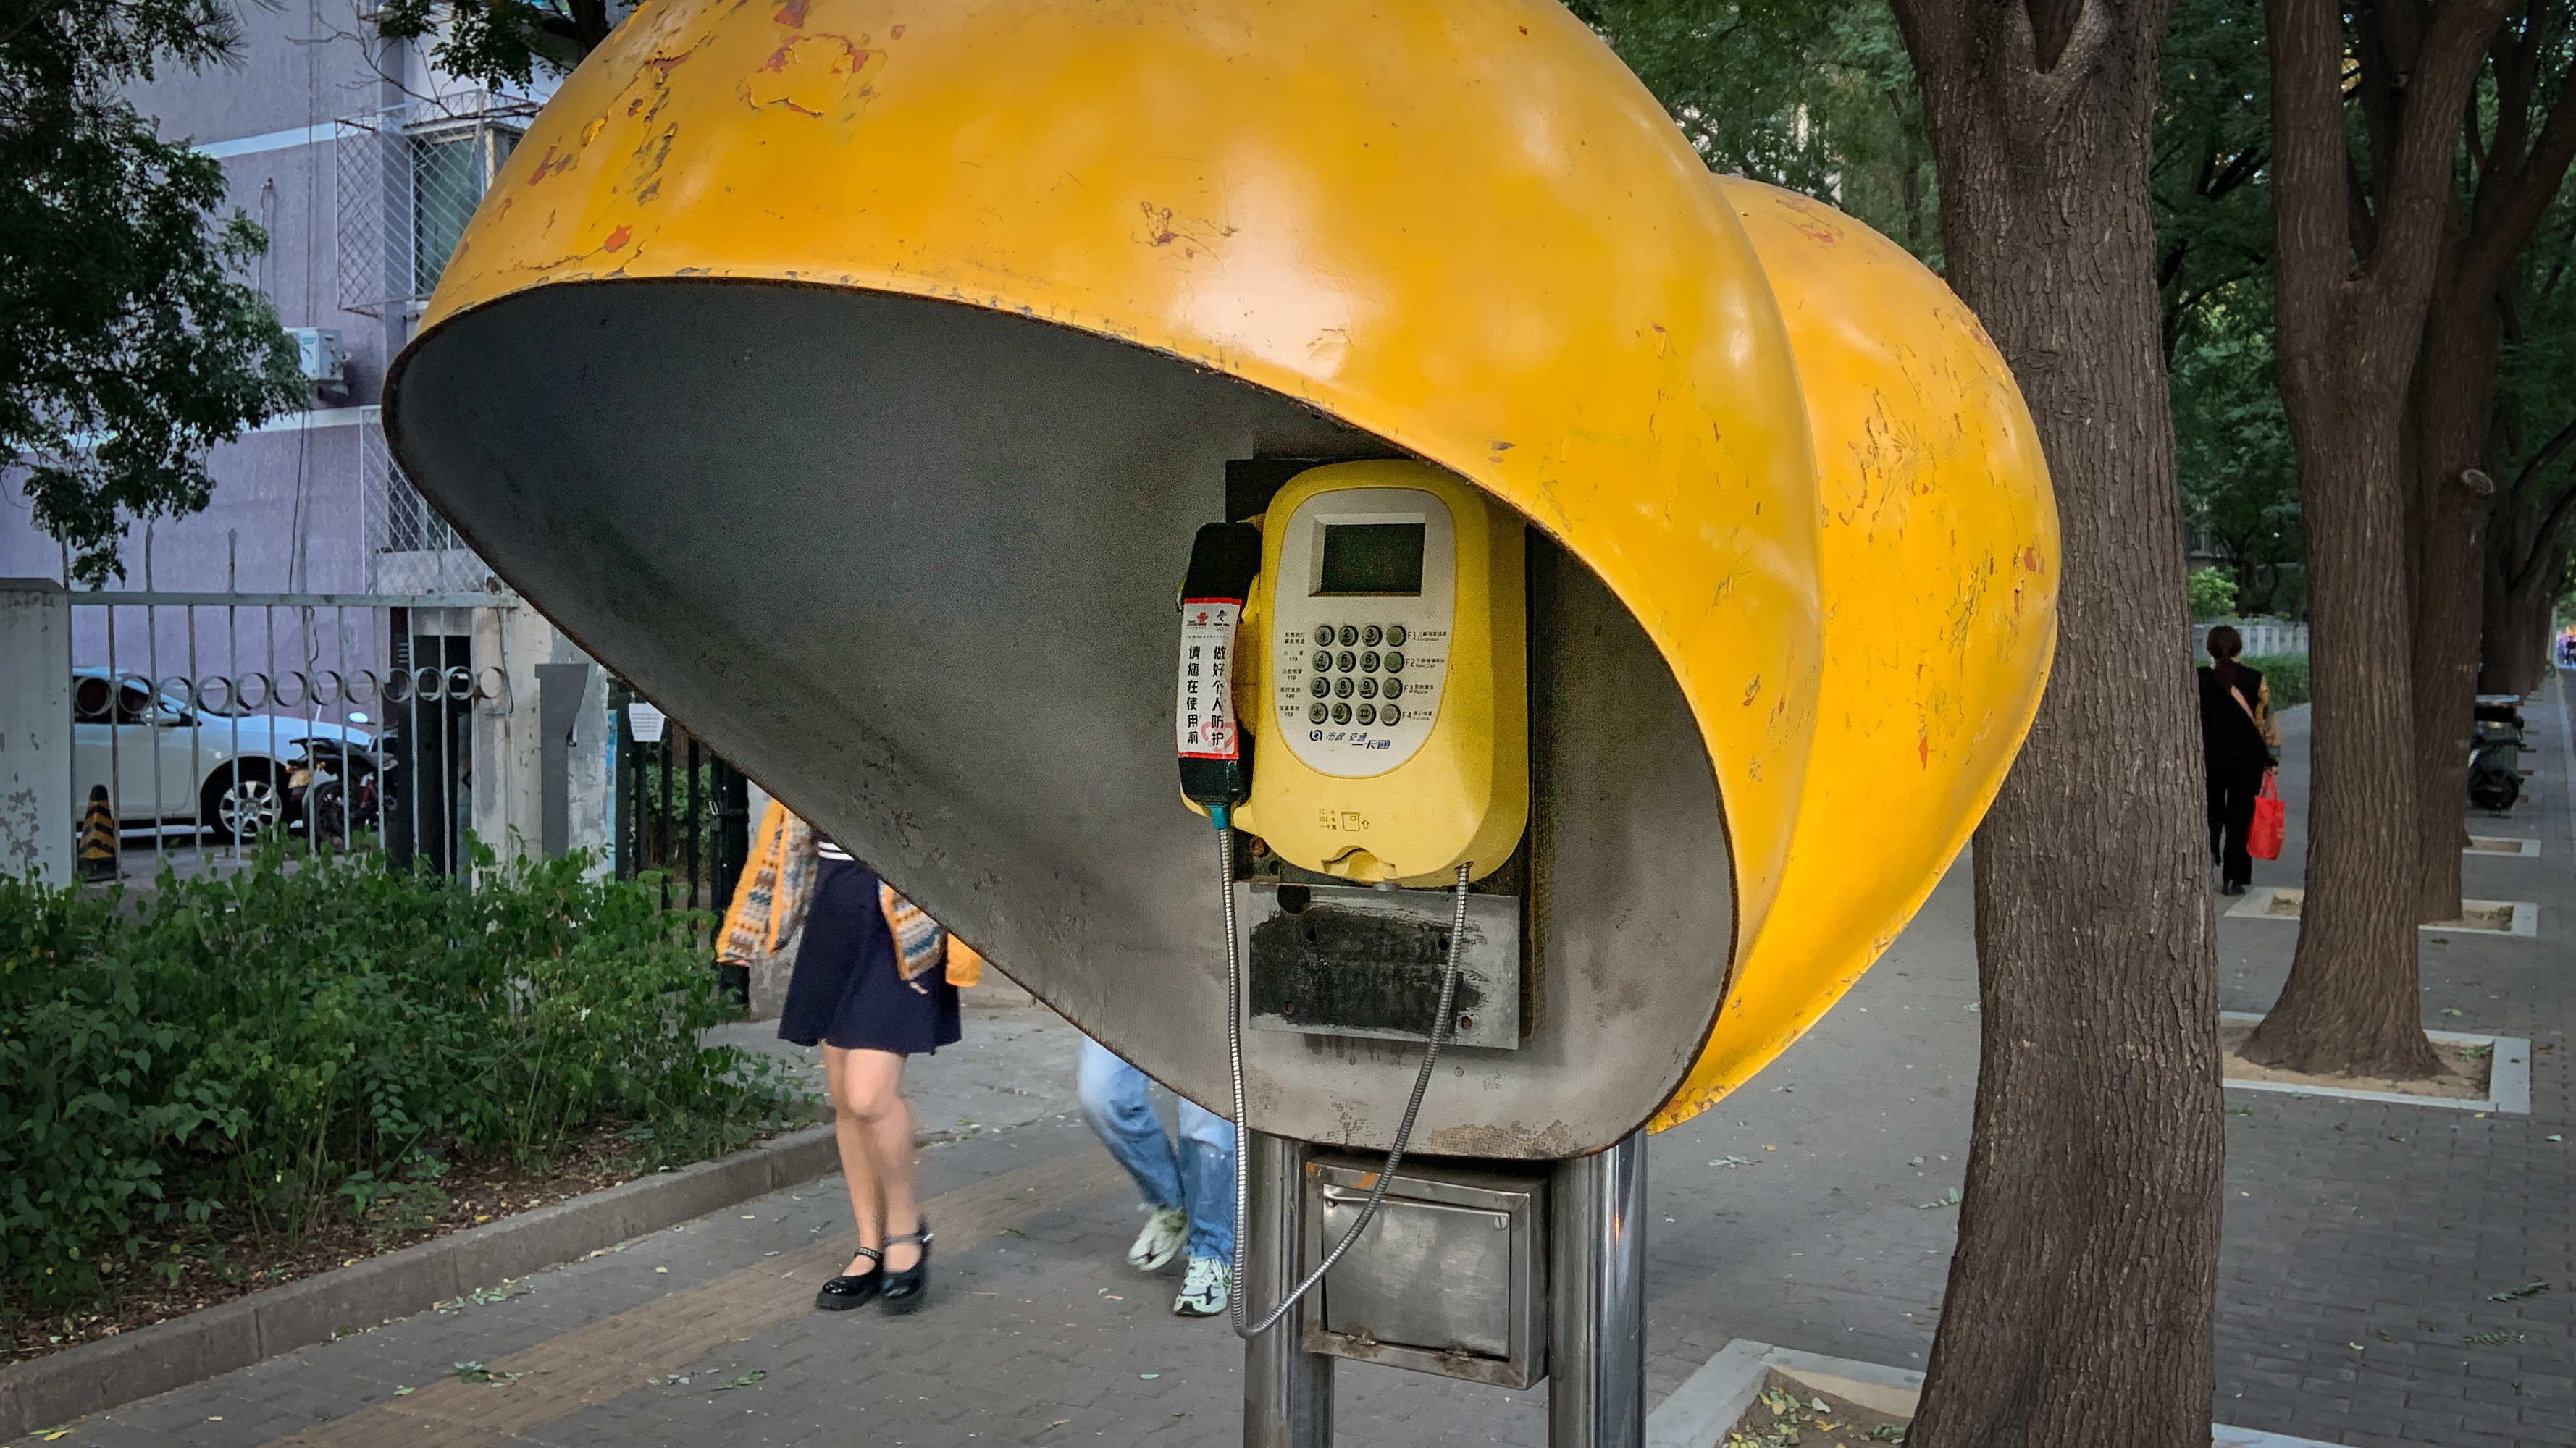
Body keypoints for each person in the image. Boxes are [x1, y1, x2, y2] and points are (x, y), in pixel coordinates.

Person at [719, 801, 980, 1314]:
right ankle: (869, 1245)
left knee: (868, 1096)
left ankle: (905, 1229)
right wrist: (749, 924)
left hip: (904, 918)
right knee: (845, 1097)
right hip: (835, 910)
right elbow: (785, 828)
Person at [1076, 1035, 1236, 1317]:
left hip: (1214, 1011)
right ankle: (1174, 1202)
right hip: (1128, 1006)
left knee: (1205, 1119)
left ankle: (1212, 1251)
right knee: (1101, 1096)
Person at [2197, 625, 2279, 895]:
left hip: (2208, 756)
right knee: (2240, 817)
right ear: (2239, 648)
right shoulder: (2256, 679)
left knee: (2210, 811)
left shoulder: (2197, 679)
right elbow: (2266, 722)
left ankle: (2206, 856)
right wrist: (2273, 759)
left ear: (2209, 649)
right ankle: (2234, 878)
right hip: (2247, 758)